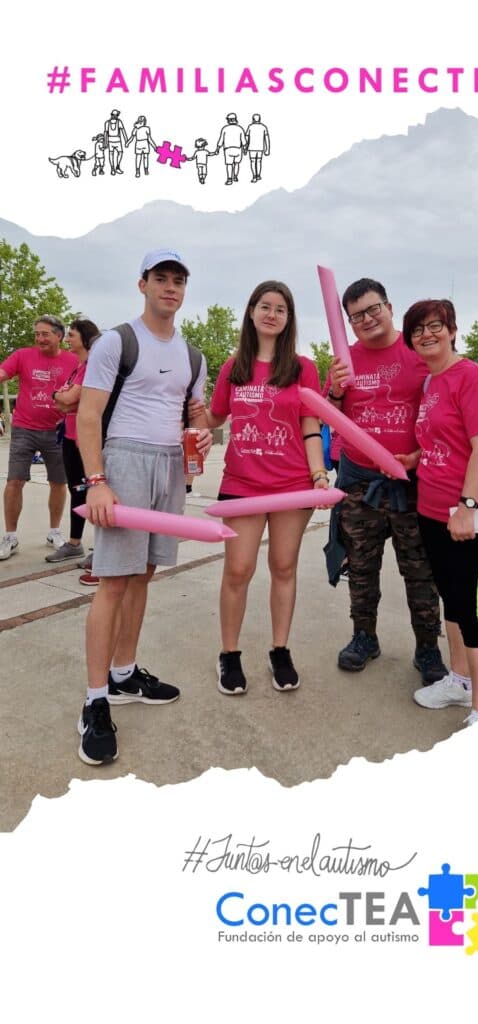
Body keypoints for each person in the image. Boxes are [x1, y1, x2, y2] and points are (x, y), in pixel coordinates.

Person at [75, 249, 211, 765]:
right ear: (143, 285)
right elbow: (90, 416)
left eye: (178, 280)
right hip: (125, 459)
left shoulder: (192, 355)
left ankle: (125, 673)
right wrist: (97, 482)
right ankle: (93, 701)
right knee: (113, 580)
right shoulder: (118, 340)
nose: (170, 287)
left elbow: (197, 414)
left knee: (144, 574)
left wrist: (202, 434)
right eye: (161, 278)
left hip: (171, 465)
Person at [189, 280, 328, 695]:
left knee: (284, 568)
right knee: (238, 570)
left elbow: (310, 424)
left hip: (292, 485)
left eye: (280, 309)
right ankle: (229, 655)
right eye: (264, 306)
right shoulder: (235, 367)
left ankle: (279, 649)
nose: (272, 314)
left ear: (289, 318)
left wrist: (319, 475)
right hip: (242, 484)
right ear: (251, 312)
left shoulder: (304, 368)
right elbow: (215, 418)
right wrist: (197, 416)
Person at [326, 278, 447, 684]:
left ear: (390, 307)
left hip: (413, 481)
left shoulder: (419, 354)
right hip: (360, 480)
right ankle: (364, 637)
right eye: (356, 315)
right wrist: (337, 392)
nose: (367, 319)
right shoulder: (345, 360)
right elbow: (331, 416)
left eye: (372, 308)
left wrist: (420, 458)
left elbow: (443, 412)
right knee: (361, 567)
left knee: (420, 570)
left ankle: (428, 647)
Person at [402, 299, 478, 724]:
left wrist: (467, 507)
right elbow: (445, 441)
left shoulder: (472, 377)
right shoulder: (432, 383)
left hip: (476, 514)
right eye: (418, 330)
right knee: (452, 599)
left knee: (473, 609)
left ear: (451, 329)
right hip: (434, 511)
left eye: (435, 326)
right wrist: (416, 457)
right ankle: (459, 681)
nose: (426, 334)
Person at [0, 315, 78, 560]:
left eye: (45, 334)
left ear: (59, 336)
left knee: (58, 483)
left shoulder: (73, 360)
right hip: (24, 428)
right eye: (37, 334)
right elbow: (2, 372)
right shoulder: (23, 355)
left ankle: (54, 532)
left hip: (57, 431)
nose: (40, 338)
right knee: (14, 481)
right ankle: (10, 537)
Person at [46, 319, 101, 564]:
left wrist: (60, 396)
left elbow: (69, 398)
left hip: (85, 439)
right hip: (69, 437)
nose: (67, 339)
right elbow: (63, 402)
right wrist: (61, 398)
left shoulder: (92, 366)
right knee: (76, 490)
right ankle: (74, 543)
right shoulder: (78, 367)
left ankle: (103, 549)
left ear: (86, 338)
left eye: (71, 335)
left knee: (96, 492)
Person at [215, 113, 247, 185]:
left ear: (229, 120)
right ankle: (235, 176)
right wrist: (245, 149)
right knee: (236, 164)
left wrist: (217, 148)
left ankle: (229, 179)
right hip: (238, 149)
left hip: (228, 149)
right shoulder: (240, 128)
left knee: (229, 164)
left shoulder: (225, 128)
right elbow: (244, 141)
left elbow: (221, 140)